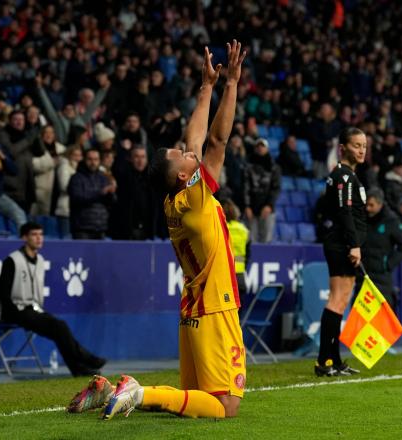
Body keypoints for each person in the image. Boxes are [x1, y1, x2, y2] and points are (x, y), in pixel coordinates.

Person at [74, 41, 247, 420]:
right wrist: (231, 83)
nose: (187, 150)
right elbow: (215, 140)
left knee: (193, 397)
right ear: (185, 175)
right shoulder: (197, 199)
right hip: (215, 306)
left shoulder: (175, 201)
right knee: (225, 406)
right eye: (182, 154)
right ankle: (138, 391)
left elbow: (196, 140)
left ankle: (110, 391)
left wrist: (206, 87)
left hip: (192, 307)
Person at [0, 222, 106, 377]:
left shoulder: (40, 260)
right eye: (34, 234)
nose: (39, 238)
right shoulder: (12, 260)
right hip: (15, 310)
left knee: (59, 328)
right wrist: (15, 311)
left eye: (41, 234)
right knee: (58, 326)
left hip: (33, 309)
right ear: (24, 237)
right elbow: (1, 291)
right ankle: (84, 358)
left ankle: (78, 368)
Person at [315, 127, 367, 377]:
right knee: (336, 300)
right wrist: (354, 244)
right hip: (341, 244)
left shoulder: (343, 175)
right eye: (357, 145)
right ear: (343, 148)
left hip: (341, 242)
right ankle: (324, 360)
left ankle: (334, 359)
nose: (361, 150)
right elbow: (345, 213)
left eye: (364, 146)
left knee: (341, 301)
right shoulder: (344, 177)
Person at [357, 188, 402, 311]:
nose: (367, 208)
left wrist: (387, 264)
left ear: (380, 204)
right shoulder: (361, 218)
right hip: (362, 276)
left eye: (371, 205)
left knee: (382, 317)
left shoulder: (391, 221)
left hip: (382, 279)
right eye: (366, 205)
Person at [67, 149, 116, 240]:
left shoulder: (104, 177)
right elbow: (77, 198)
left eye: (96, 159)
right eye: (90, 159)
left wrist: (111, 194)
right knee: (81, 254)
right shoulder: (76, 178)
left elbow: (111, 202)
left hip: (101, 227)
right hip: (82, 228)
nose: (93, 162)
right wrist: (100, 193)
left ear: (99, 161)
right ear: (84, 160)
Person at [243, 138, 281, 243]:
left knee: (266, 240)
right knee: (250, 240)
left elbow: (276, 188)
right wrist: (247, 206)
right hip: (252, 208)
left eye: (262, 146)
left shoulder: (274, 167)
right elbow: (246, 187)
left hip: (267, 209)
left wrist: (269, 205)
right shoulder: (248, 166)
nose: (260, 148)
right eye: (258, 146)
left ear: (267, 149)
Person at [224, 198, 250, 300]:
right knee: (238, 313)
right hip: (239, 278)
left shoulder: (221, 228)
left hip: (225, 278)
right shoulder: (244, 230)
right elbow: (248, 254)